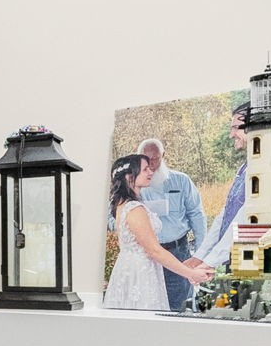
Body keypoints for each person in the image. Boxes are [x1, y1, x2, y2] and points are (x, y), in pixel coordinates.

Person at [104, 153, 217, 312]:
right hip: (141, 273)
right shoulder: (134, 209)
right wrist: (190, 274)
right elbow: (155, 250)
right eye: (145, 169)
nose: (151, 172)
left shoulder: (124, 204)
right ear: (130, 177)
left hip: (134, 267)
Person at [135, 137, 208, 312]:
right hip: (145, 255)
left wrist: (201, 253)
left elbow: (197, 215)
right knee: (148, 305)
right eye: (146, 159)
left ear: (163, 156)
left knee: (179, 305)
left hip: (177, 252)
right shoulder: (132, 186)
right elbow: (115, 218)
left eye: (155, 158)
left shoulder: (181, 180)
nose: (151, 164)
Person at [194, 103, 253, 269]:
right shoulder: (244, 168)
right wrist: (200, 257)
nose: (231, 135)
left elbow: (244, 218)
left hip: (247, 263)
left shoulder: (263, 171)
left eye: (236, 128)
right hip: (231, 261)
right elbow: (225, 214)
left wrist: (210, 262)